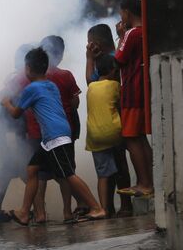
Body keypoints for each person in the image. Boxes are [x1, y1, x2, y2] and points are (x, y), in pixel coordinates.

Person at [2, 47, 106, 225]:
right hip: (53, 136)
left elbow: (15, 114)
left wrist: (6, 103)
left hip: (55, 137)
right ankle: (24, 213)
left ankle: (96, 208)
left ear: (27, 68)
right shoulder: (51, 85)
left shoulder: (31, 89)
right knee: (32, 169)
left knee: (68, 174)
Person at [85, 23, 133, 216]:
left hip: (115, 120)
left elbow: (90, 82)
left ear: (97, 43)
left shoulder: (110, 61)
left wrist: (89, 59)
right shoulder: (107, 59)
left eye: (89, 43)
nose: (88, 46)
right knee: (115, 165)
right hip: (114, 121)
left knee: (117, 166)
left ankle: (120, 206)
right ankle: (116, 206)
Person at [40, 35, 85, 222]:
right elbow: (75, 102)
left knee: (41, 173)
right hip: (66, 130)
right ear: (61, 55)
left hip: (43, 132)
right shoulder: (65, 75)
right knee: (67, 171)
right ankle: (68, 210)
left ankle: (40, 213)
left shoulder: (37, 78)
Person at [0, 44, 34, 224]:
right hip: (13, 135)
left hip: (8, 134)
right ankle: (36, 211)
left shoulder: (15, 80)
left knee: (6, 173)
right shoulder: (18, 81)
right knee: (26, 172)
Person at [114, 0, 154, 197]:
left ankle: (144, 183)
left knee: (130, 138)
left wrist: (121, 36)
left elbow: (118, 59)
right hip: (143, 90)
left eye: (121, 12)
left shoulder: (131, 34)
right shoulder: (145, 31)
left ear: (127, 13)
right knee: (140, 138)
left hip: (131, 91)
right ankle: (150, 181)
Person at [86, 54, 123, 215]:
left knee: (103, 175)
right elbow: (121, 106)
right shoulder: (115, 86)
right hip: (114, 133)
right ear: (114, 70)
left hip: (95, 136)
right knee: (120, 168)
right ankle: (124, 203)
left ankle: (104, 209)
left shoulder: (91, 87)